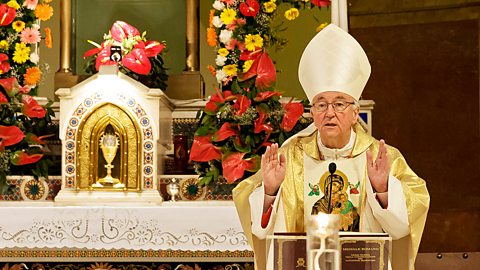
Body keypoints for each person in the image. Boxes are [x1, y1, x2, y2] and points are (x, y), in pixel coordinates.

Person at [232, 24, 430, 270]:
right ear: (312, 114)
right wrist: (270, 191)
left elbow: (408, 218)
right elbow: (259, 228)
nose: (330, 113)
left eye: (339, 104)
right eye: (321, 105)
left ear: (356, 112)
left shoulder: (382, 157)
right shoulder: (288, 157)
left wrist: (384, 191)